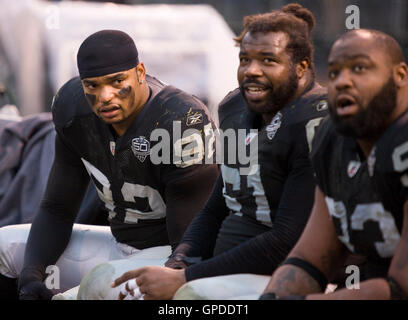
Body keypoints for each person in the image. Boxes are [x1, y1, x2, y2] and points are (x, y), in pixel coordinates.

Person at [79, 3, 329, 300]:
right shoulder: (237, 108)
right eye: (244, 59)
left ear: (301, 67)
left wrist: (186, 277)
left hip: (285, 274)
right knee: (99, 285)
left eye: (268, 61)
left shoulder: (316, 121)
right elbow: (214, 208)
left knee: (189, 297)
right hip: (220, 266)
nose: (251, 71)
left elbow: (286, 239)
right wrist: (177, 265)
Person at [0, 29, 219, 300]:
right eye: (92, 85)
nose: (105, 96)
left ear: (140, 72)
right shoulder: (73, 108)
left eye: (117, 81)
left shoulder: (180, 120)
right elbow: (58, 208)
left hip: (171, 257)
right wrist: (32, 276)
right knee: (3, 246)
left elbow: (192, 244)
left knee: (87, 291)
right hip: (117, 244)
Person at [260, 29, 408, 300]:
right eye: (335, 72)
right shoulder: (333, 141)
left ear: (400, 76)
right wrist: (275, 295)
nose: (343, 81)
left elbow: (401, 289)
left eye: (360, 68)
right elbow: (310, 260)